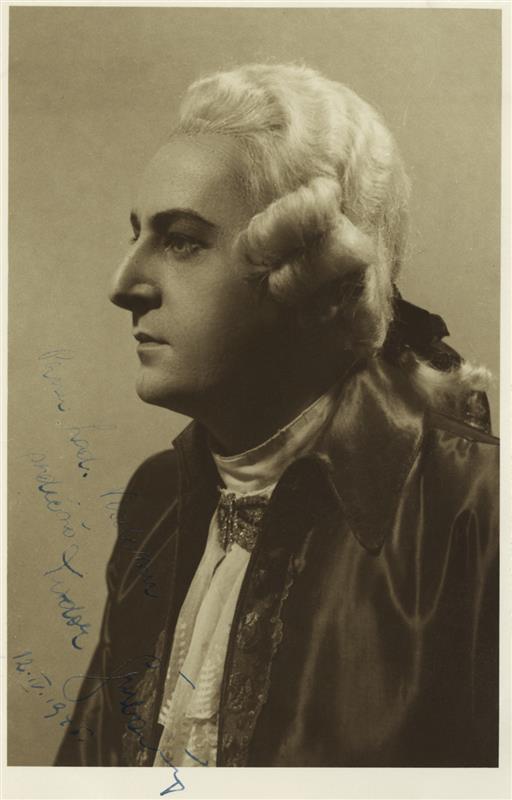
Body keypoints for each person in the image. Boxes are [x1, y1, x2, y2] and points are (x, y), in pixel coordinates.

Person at [55, 63, 499, 769]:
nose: (124, 284)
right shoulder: (157, 501)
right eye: (135, 235)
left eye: (182, 241)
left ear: (315, 275)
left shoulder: (477, 511)